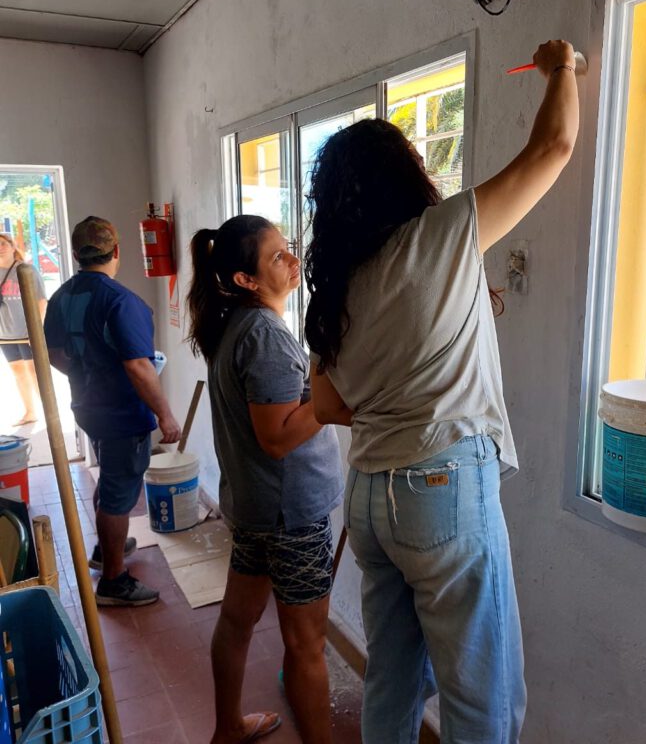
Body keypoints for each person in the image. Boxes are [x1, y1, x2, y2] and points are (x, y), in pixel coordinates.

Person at [303, 40, 579, 743]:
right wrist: (561, 68)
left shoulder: (338, 279)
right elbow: (553, 146)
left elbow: (328, 406)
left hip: (368, 498)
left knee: (393, 678)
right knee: (483, 698)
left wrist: (399, 384)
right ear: (405, 175)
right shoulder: (444, 234)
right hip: (442, 491)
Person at [186, 215, 344, 744]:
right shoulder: (266, 336)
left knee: (237, 620)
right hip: (290, 514)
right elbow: (275, 437)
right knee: (306, 645)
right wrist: (329, 407)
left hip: (256, 507)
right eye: (277, 257)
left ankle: (227, 728)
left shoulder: (233, 324)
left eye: (289, 248)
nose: (293, 261)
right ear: (245, 280)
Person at [44, 216, 181, 606]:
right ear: (117, 251)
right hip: (122, 414)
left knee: (110, 479)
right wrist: (165, 415)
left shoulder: (62, 298)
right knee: (120, 493)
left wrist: (88, 370)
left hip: (87, 407)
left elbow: (54, 354)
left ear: (74, 255)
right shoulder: (120, 301)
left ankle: (107, 551)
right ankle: (114, 581)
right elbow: (139, 367)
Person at [0, 231, 45, 426]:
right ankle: (30, 411)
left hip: (27, 332)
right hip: (5, 333)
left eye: (3, 243)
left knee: (35, 371)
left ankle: (48, 412)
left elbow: (41, 300)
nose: (0, 248)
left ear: (12, 246)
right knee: (18, 371)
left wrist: (37, 328)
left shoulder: (26, 269)